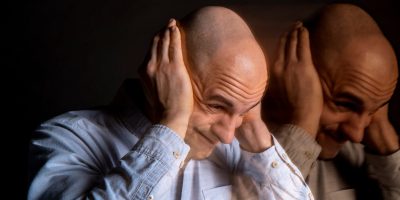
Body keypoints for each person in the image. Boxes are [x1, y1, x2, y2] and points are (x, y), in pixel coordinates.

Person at [28, 6, 314, 200]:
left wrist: (253, 125)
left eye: (242, 111)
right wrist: (174, 120)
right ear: (166, 73)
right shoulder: (66, 139)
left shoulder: (239, 151)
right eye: (216, 105)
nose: (228, 135)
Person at [263, 3, 400, 200]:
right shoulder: (223, 144)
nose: (357, 135)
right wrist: (303, 122)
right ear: (296, 70)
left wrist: (383, 136)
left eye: (373, 111)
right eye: (345, 104)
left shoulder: (356, 154)